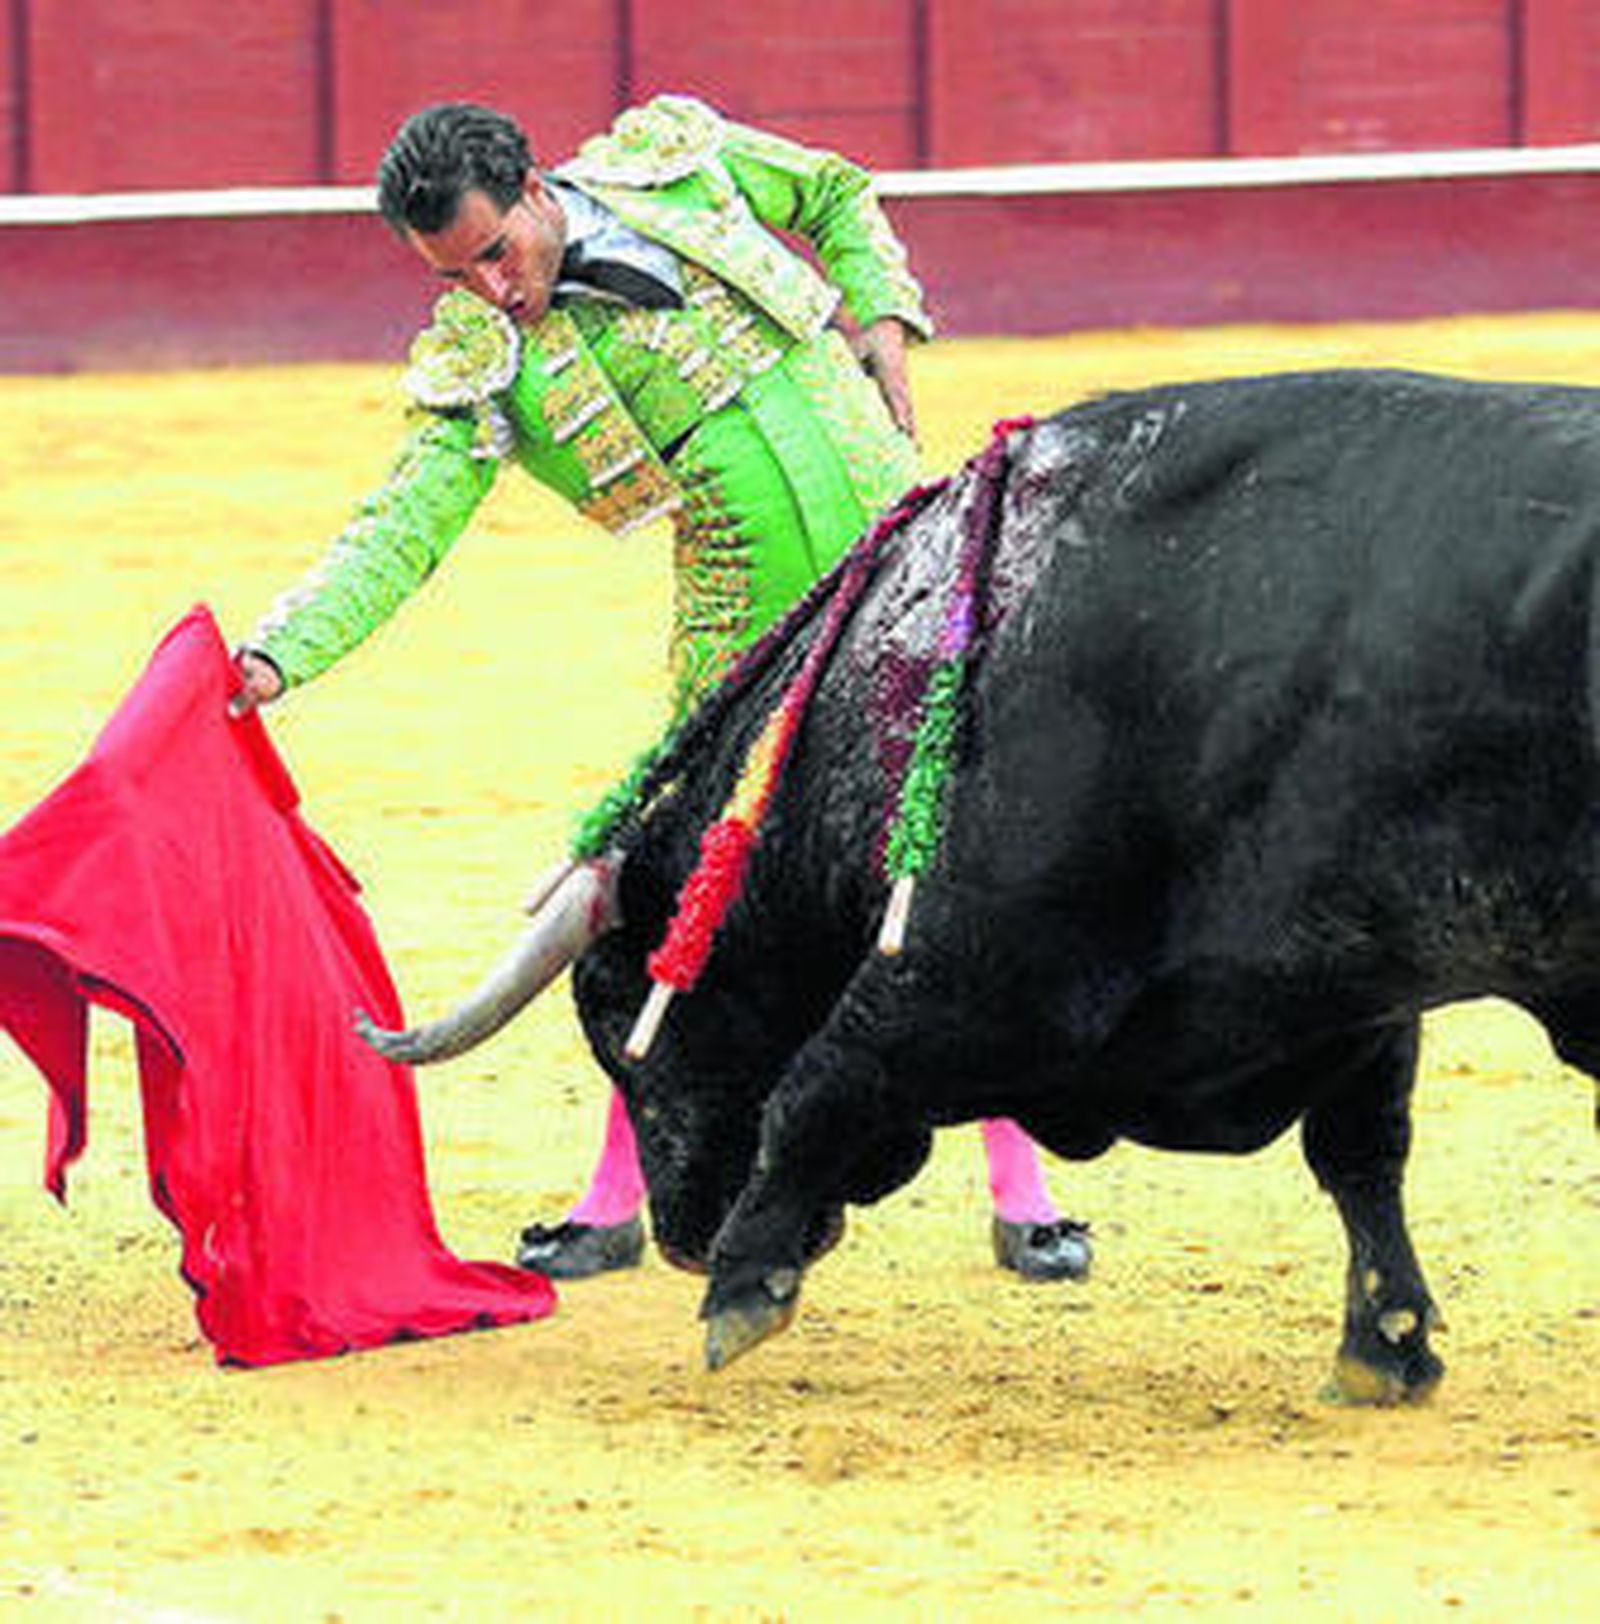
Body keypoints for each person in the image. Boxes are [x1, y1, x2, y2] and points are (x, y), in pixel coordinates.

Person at [230, 95, 1090, 1284]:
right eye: (451, 272)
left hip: (912, 556)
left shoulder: (673, 168)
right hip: (743, 637)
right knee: (669, 908)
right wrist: (280, 653)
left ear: (535, 187)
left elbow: (834, 191)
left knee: (950, 854)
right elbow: (400, 530)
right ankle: (611, 1199)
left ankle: (1023, 1191)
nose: (487, 288)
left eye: (494, 251)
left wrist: (881, 311)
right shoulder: (490, 362)